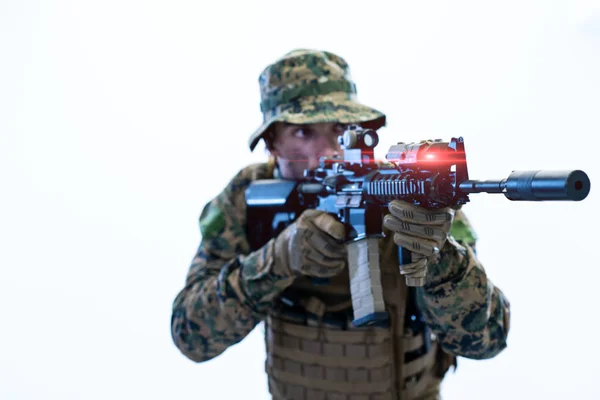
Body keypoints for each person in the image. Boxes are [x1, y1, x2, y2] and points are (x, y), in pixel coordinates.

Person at [171, 49, 511, 400]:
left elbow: (488, 338)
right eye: (303, 132)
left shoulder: (409, 191)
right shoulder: (246, 198)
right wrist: (276, 261)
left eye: (340, 130)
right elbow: (190, 336)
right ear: (272, 141)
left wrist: (443, 263)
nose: (328, 152)